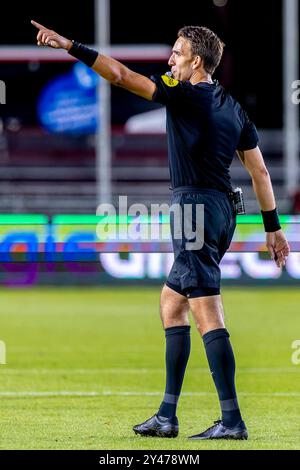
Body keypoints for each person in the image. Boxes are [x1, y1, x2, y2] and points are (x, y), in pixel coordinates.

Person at [31, 21, 290, 440]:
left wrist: (70, 45)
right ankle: (167, 416)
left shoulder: (184, 95)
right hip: (223, 210)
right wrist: (273, 227)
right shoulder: (233, 106)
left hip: (195, 210)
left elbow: (118, 75)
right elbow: (258, 169)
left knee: (207, 311)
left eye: (177, 53)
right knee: (173, 302)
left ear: (197, 61)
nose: (170, 59)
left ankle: (232, 420)